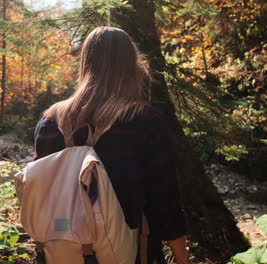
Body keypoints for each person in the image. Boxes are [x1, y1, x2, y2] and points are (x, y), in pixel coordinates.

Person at [33, 26, 189, 264]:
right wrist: (182, 259)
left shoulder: (50, 123)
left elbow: (40, 193)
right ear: (131, 65)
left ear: (85, 63)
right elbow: (165, 202)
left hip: (60, 253)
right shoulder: (144, 121)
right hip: (129, 253)